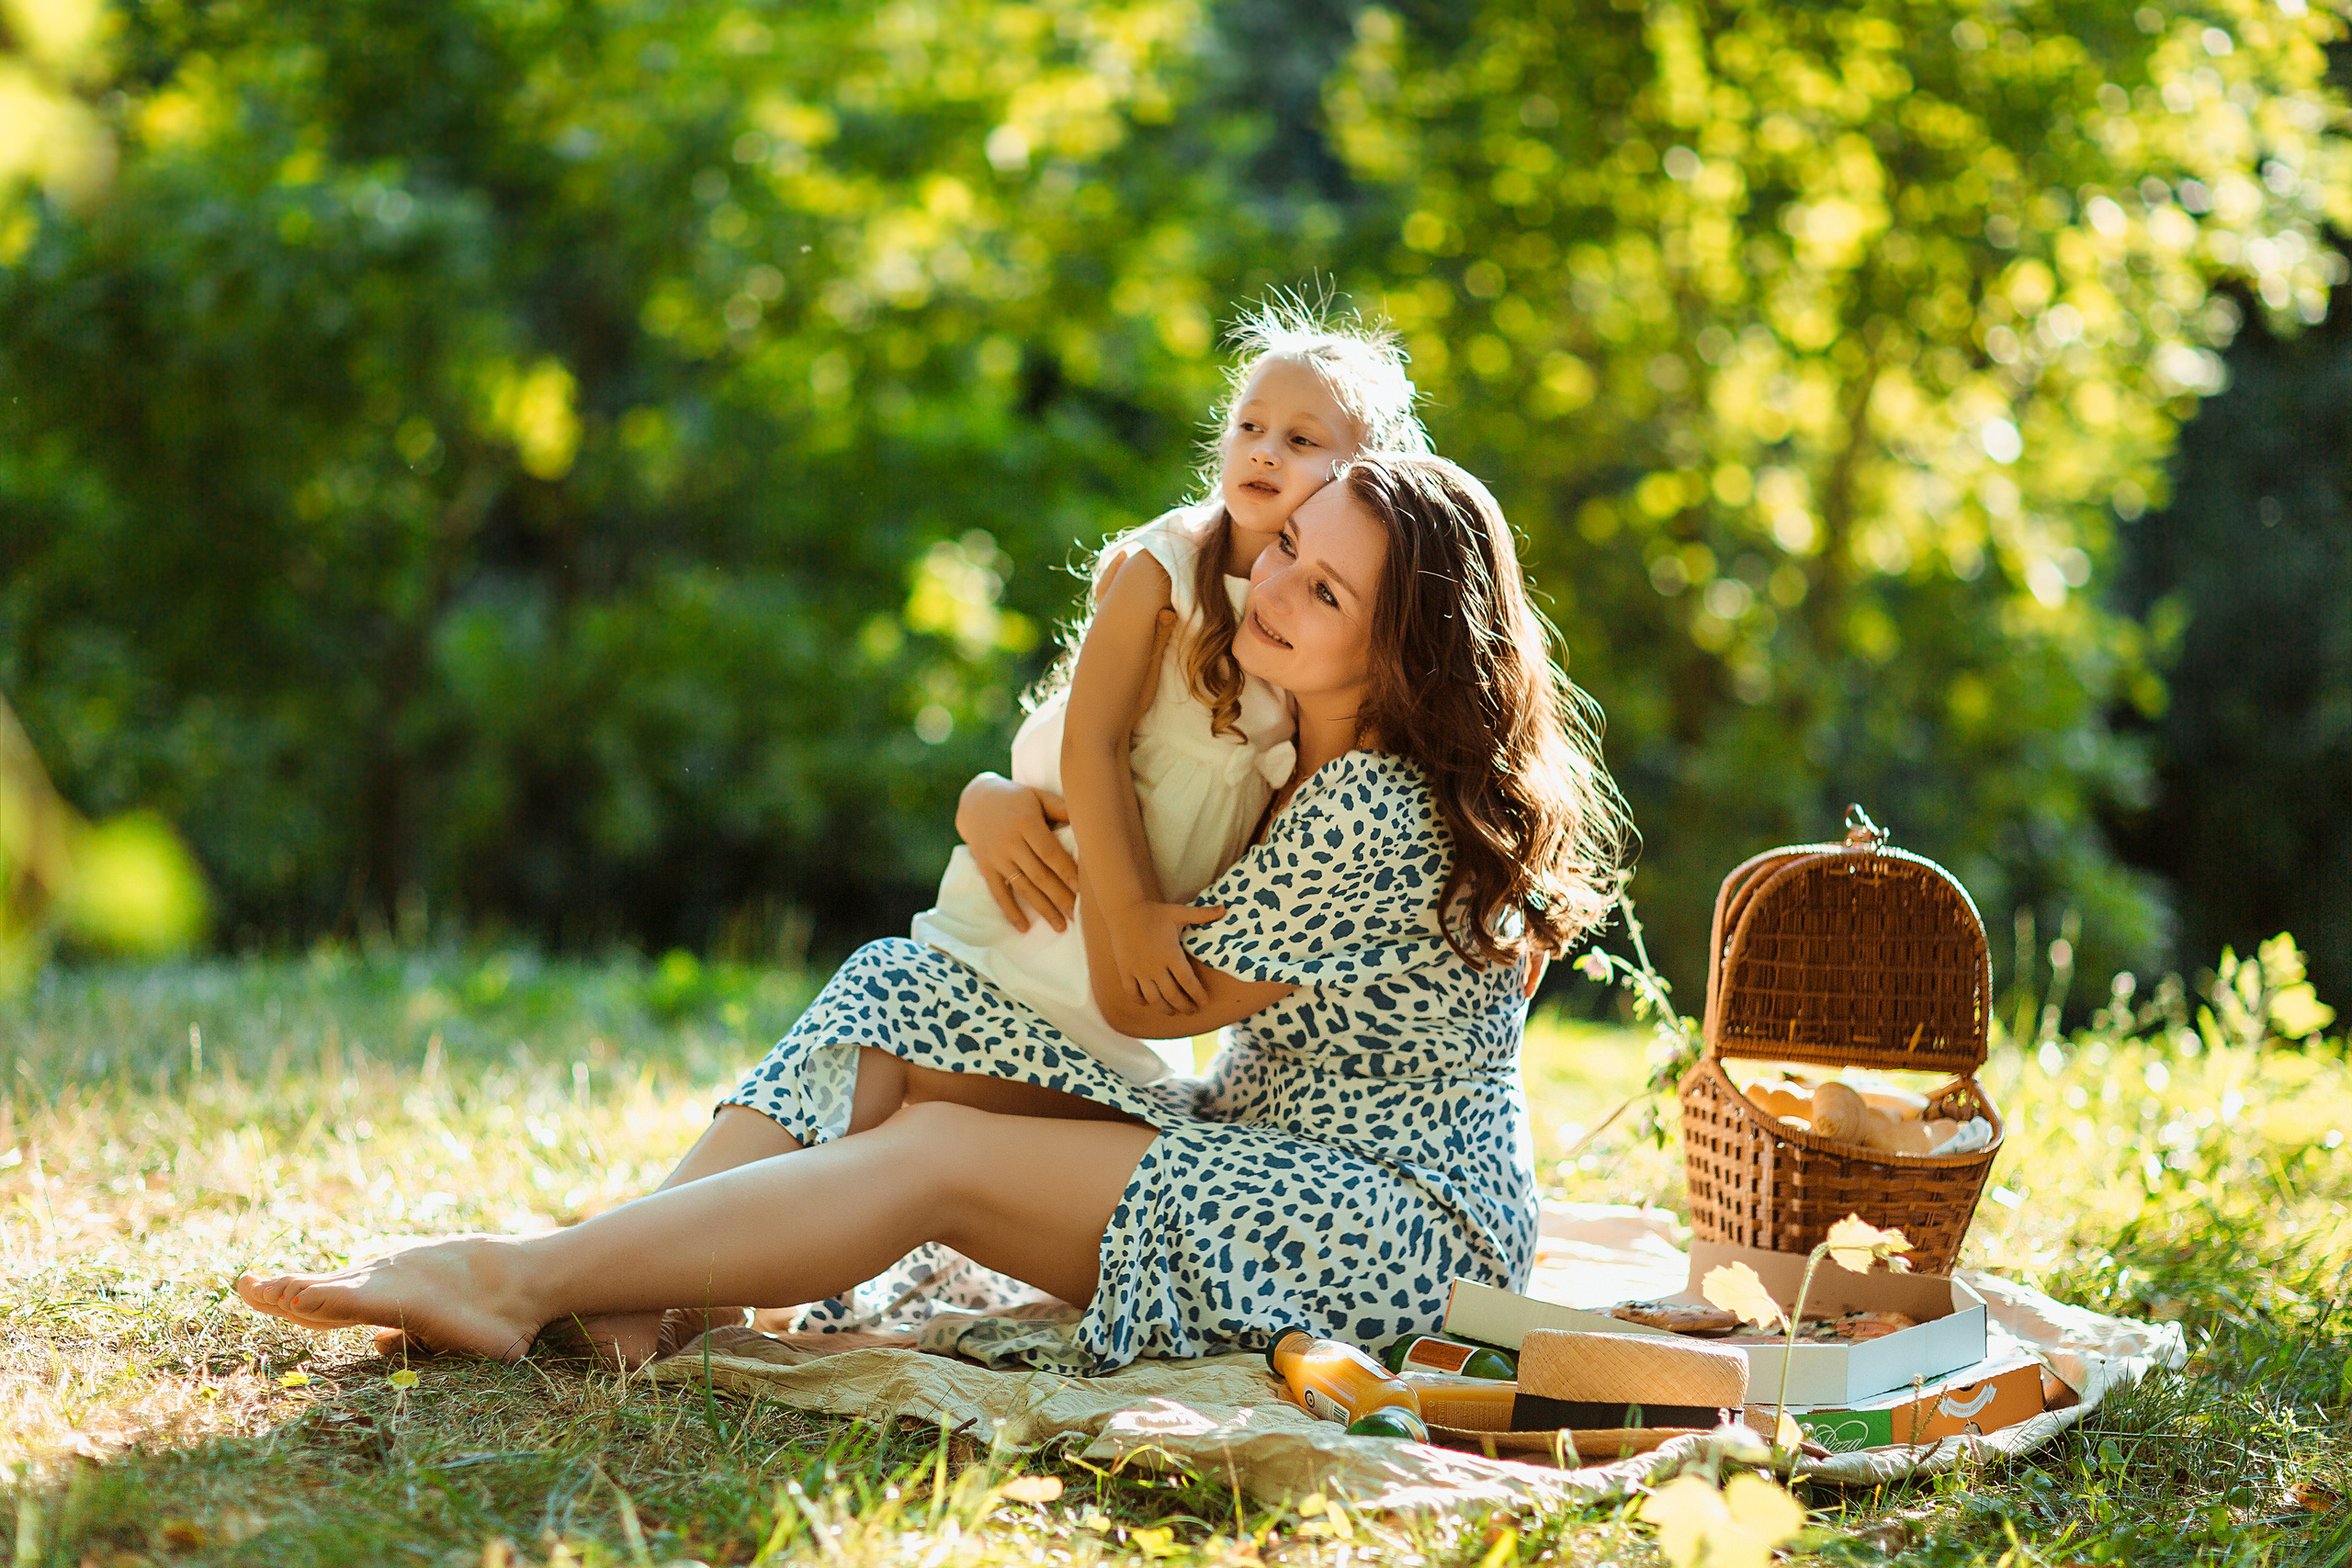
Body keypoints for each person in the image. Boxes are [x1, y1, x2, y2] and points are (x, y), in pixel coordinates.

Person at [235, 453, 1632, 1374]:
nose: (1270, 585)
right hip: (1272, 1155)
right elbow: (1125, 865)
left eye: (1324, 588)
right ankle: (644, 1284)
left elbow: (1147, 994)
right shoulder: (1293, 742)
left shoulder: (1369, 808)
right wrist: (993, 802)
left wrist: (1031, 818)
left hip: (1388, 1232)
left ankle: (517, 1276)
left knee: (942, 1148)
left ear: (1405, 645)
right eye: (1283, 548)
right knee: (899, 992)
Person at [912, 302, 1428, 1083]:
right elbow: (1093, 739)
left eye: (1300, 439)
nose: (1263, 452)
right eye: (1249, 427)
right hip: (1062, 897)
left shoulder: (1325, 639)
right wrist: (1125, 912)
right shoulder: (1170, 564)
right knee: (910, 1091)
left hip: (1138, 956)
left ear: (1365, 476)